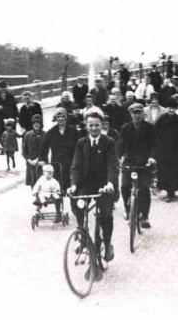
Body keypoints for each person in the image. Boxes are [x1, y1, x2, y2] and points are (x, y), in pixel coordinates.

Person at [68, 111, 119, 279]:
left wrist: (111, 183)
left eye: (97, 125)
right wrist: (74, 185)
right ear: (86, 125)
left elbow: (113, 165)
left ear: (102, 125)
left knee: (106, 215)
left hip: (104, 186)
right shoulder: (81, 143)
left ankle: (107, 241)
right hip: (86, 184)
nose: (94, 128)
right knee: (77, 204)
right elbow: (75, 166)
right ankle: (84, 237)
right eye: (91, 125)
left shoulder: (109, 143)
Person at [119, 103, 157, 228]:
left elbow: (154, 145)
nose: (136, 115)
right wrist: (119, 158)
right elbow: (121, 145)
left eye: (139, 112)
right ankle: (127, 209)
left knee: (144, 188)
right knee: (124, 186)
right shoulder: (125, 128)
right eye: (134, 113)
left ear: (143, 114)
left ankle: (144, 216)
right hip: (129, 163)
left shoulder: (150, 128)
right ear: (130, 114)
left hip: (145, 163)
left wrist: (152, 157)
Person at [40, 108, 79, 199]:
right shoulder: (51, 132)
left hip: (71, 164)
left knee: (73, 189)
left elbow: (79, 147)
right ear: (55, 118)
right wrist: (42, 160)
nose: (60, 119)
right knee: (57, 190)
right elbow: (44, 148)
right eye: (58, 116)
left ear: (66, 117)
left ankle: (76, 207)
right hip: (57, 165)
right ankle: (59, 209)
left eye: (62, 116)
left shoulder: (74, 131)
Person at [155, 97, 178, 202]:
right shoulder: (161, 119)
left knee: (175, 171)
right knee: (164, 171)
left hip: (176, 150)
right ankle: (167, 190)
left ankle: (172, 191)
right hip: (164, 150)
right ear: (166, 108)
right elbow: (156, 134)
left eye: (173, 108)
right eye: (169, 108)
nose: (171, 110)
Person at [0, 81, 19, 151]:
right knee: (0, 133)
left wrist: (17, 116)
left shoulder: (10, 96)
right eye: (1, 88)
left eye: (3, 88)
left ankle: (9, 148)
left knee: (10, 133)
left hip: (9, 117)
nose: (2, 89)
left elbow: (14, 107)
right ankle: (3, 147)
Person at [23, 114, 46, 188]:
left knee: (42, 182)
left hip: (41, 163)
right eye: (34, 122)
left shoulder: (45, 135)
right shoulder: (27, 135)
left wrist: (38, 159)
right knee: (33, 183)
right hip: (31, 164)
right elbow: (24, 151)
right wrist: (29, 160)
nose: (36, 124)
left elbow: (46, 150)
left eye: (38, 122)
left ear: (41, 124)